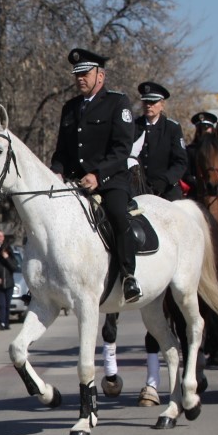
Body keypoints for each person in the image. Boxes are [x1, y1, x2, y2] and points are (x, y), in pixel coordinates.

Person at [50, 48, 139, 302]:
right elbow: (62, 151)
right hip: (77, 182)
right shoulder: (70, 108)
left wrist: (98, 175)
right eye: (77, 74)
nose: (80, 78)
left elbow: (122, 147)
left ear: (100, 75)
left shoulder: (117, 103)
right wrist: (56, 171)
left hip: (110, 181)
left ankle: (128, 275)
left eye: (85, 73)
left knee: (118, 216)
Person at [132, 82, 188, 200]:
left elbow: (181, 162)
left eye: (153, 102)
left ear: (162, 105)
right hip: (138, 189)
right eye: (146, 102)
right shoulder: (133, 126)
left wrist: (165, 180)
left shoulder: (172, 128)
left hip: (166, 190)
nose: (148, 105)